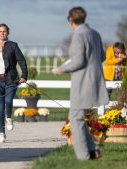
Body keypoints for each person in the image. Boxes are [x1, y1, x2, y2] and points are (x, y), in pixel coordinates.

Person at [53, 7, 109, 160]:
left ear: (71, 20)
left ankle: (83, 157)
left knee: (76, 118)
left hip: (83, 82)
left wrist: (61, 69)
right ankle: (92, 152)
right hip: (96, 80)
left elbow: (78, 61)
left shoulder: (78, 35)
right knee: (79, 117)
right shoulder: (95, 34)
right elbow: (102, 56)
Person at [0, 23, 28, 143]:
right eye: (0, 31)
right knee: (0, 107)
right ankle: (2, 133)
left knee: (8, 100)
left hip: (11, 79)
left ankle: (9, 117)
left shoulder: (13, 45)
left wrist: (24, 75)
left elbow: (21, 60)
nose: (2, 33)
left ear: (8, 33)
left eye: (5, 31)